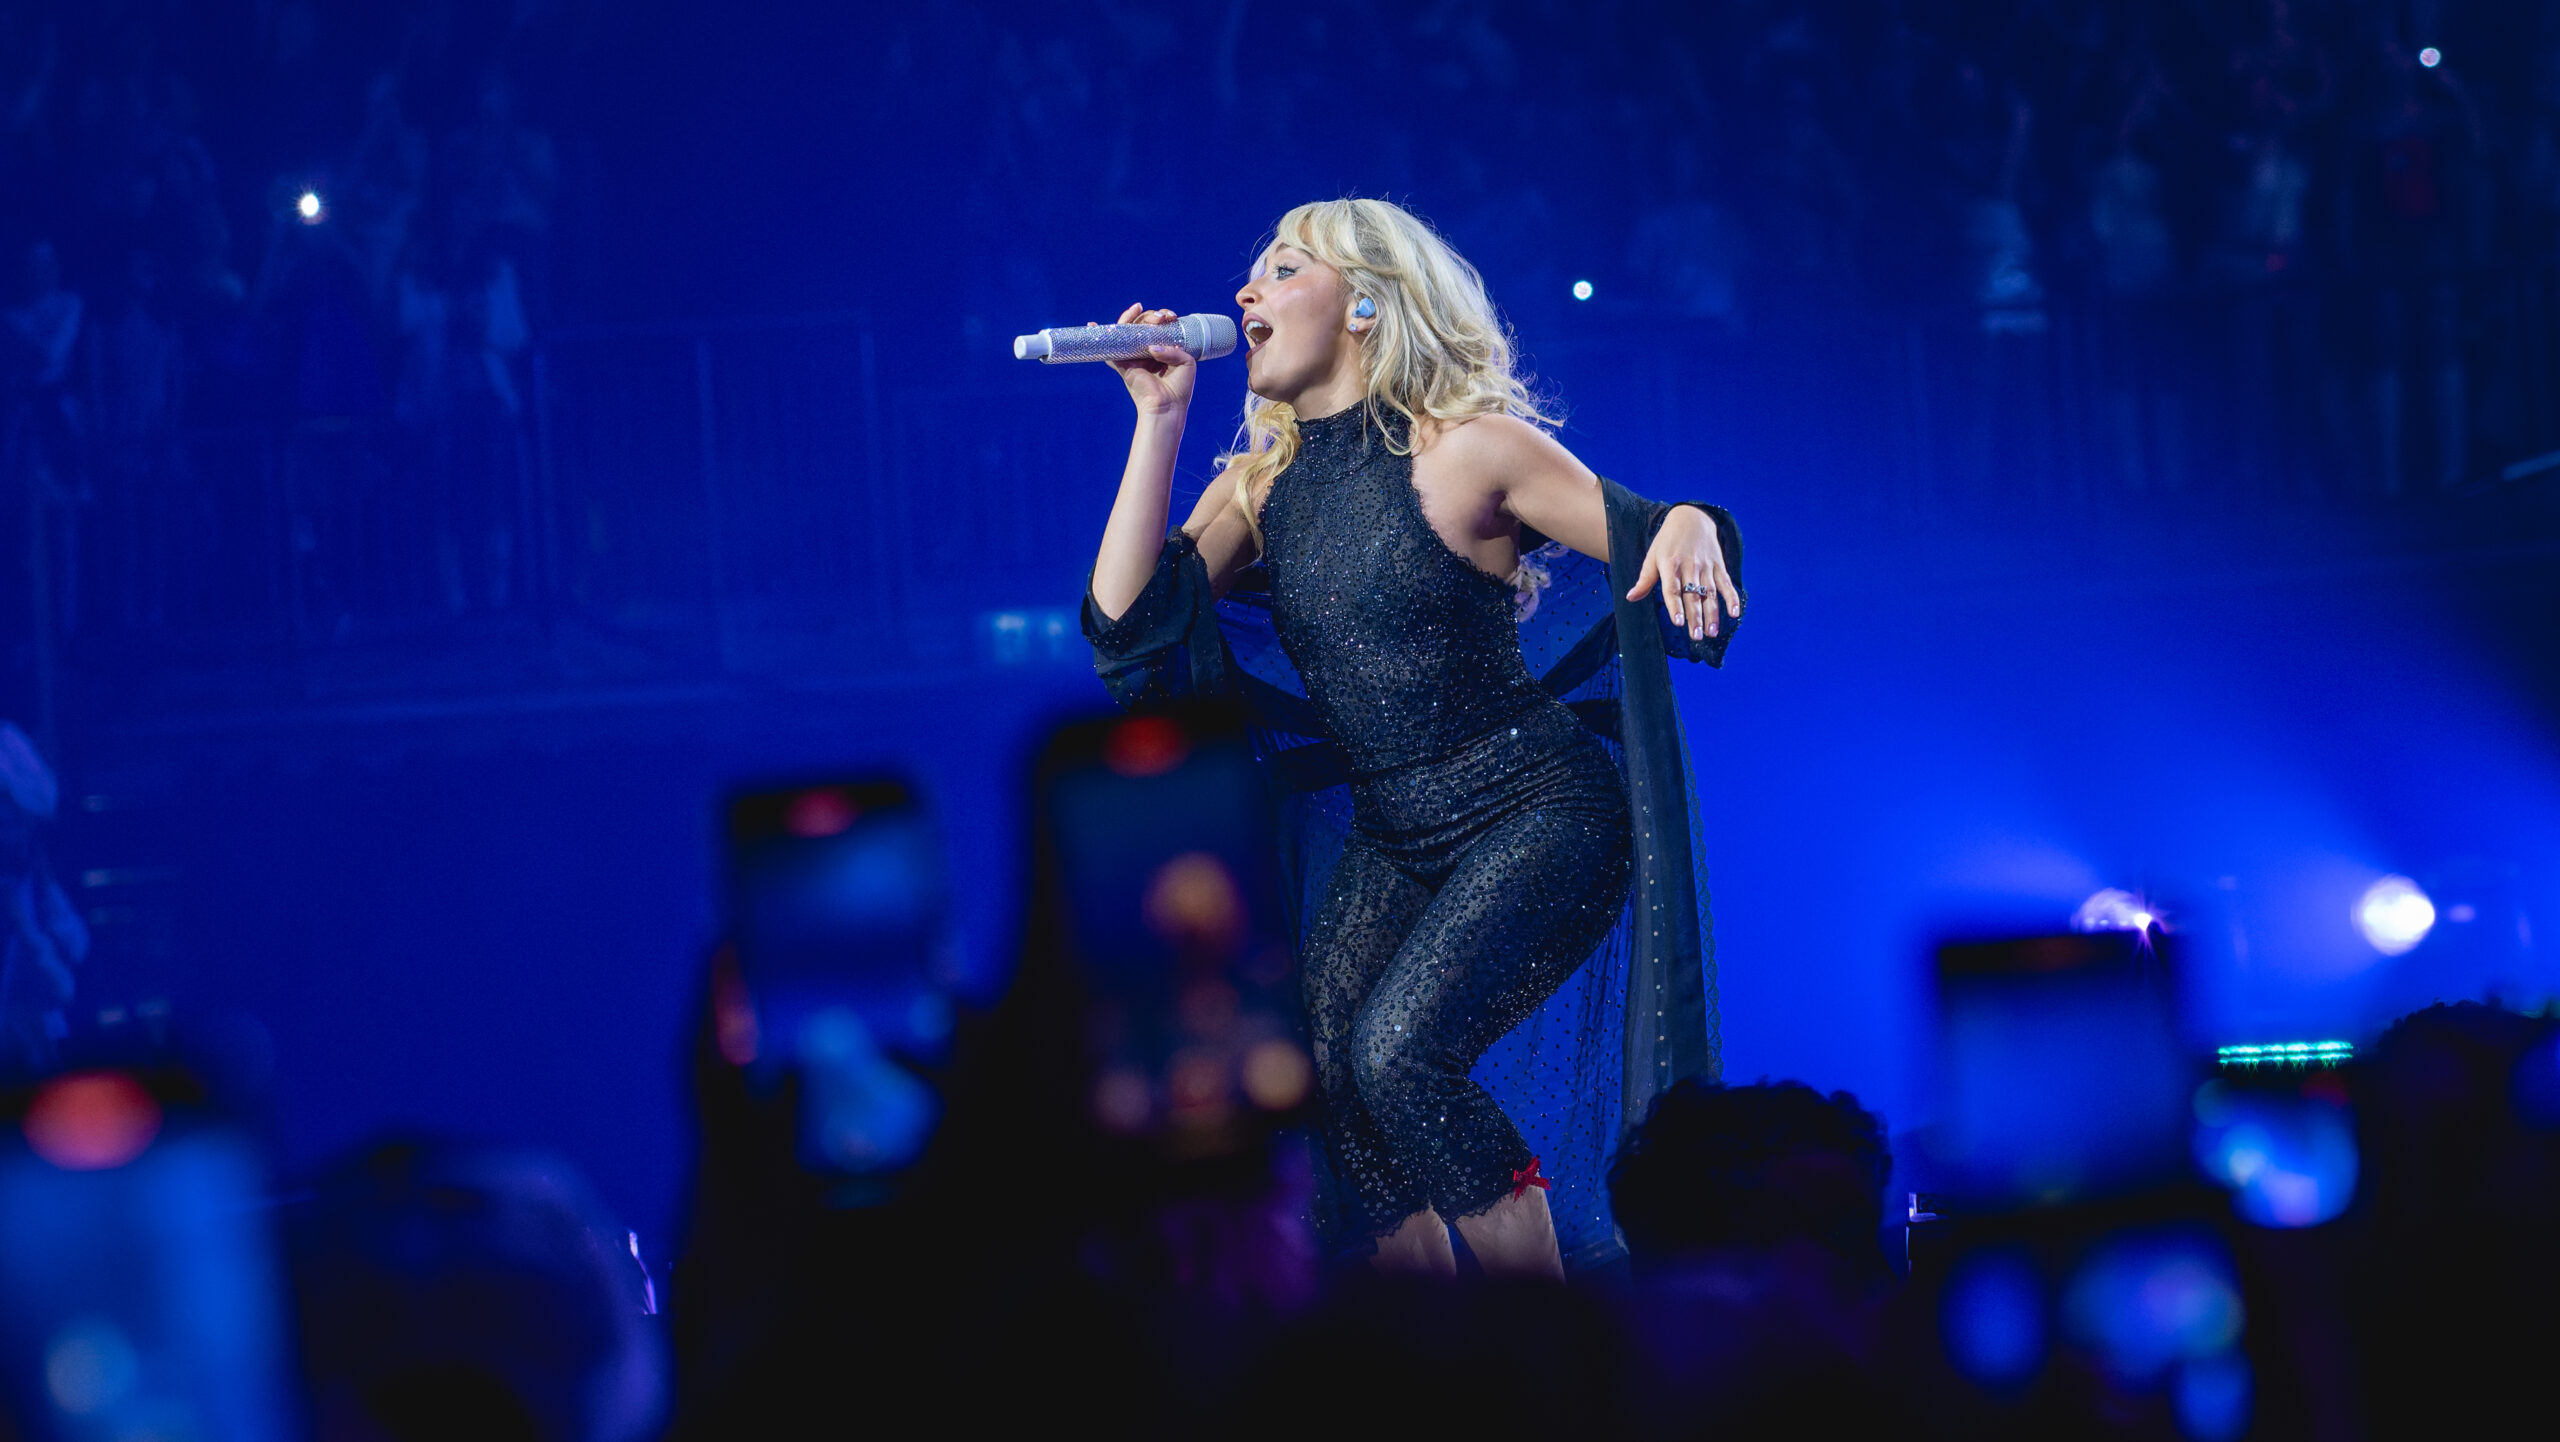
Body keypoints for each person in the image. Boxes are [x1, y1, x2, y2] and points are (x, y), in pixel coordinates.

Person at [1083, 198, 1743, 1280]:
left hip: (1540, 811)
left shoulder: (1471, 448)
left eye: (1283, 268)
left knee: (1399, 1052)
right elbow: (1127, 629)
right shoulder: (1260, 487)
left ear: (1364, 304)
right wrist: (1158, 419)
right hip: (1398, 834)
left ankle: (1549, 1347)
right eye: (1252, 271)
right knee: (1328, 1071)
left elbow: (1648, 526)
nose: (1245, 290)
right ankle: (1430, 1352)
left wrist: (1686, 522)